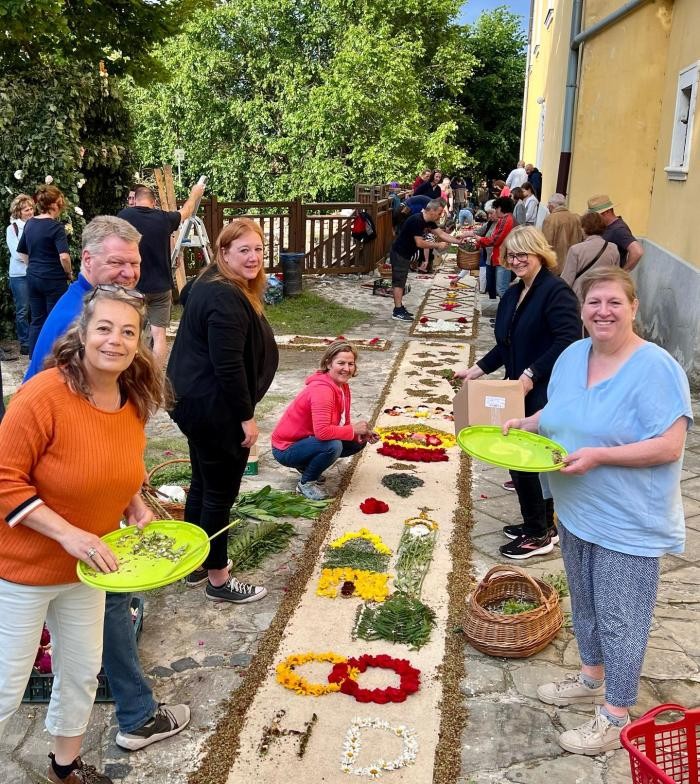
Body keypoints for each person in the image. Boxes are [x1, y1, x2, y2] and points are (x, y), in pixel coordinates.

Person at [503, 267, 691, 754]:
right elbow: (561, 410)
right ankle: (590, 678)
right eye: (593, 303)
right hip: (576, 507)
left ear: (633, 308)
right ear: (582, 309)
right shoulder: (572, 355)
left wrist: (601, 455)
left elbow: (670, 446)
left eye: (614, 302)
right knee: (585, 605)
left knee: (621, 618)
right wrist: (529, 422)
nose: (602, 311)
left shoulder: (655, 367)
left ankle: (615, 714)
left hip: (628, 518)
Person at [23, 216, 190, 753]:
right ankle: (138, 715)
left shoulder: (121, 368)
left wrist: (131, 495)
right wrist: (72, 526)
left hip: (89, 531)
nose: (128, 272)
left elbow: (113, 443)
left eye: (136, 264)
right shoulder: (68, 349)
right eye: (117, 262)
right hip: (40, 539)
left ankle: (74, 756)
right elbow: (34, 451)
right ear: (87, 262)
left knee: (87, 652)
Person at [0, 286, 172, 784]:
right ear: (82, 333)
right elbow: (5, 479)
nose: (114, 341)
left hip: (90, 567)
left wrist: (135, 504)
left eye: (128, 332)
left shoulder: (133, 397)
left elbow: (120, 465)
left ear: (139, 341)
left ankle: (65, 768)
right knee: (7, 687)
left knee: (80, 672)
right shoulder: (44, 394)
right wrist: (69, 533)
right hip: (23, 569)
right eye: (104, 328)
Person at [167, 218, 279, 604]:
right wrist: (245, 417)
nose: (253, 257)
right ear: (223, 252)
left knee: (203, 483)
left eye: (259, 249)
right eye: (243, 250)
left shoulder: (211, 282)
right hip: (216, 411)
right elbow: (228, 365)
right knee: (219, 494)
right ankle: (218, 578)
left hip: (196, 405)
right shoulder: (224, 296)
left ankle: (196, 562)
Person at [455, 226, 581, 559]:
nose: (515, 260)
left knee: (527, 460)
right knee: (520, 461)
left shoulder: (556, 292)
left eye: (522, 253)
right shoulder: (514, 292)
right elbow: (505, 344)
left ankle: (538, 533)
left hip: (544, 390)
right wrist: (476, 370)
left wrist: (531, 374)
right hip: (517, 389)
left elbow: (568, 341)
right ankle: (540, 524)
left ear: (540, 252)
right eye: (510, 254)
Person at [271, 341, 378, 500]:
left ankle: (307, 466)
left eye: (351, 364)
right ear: (328, 363)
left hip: (306, 440)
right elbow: (323, 432)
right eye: (341, 363)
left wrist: (359, 433)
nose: (347, 369)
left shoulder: (342, 386)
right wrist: (353, 430)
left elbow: (341, 423)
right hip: (286, 448)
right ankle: (306, 483)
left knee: (358, 440)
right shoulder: (322, 390)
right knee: (332, 445)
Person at [118, 180, 205, 366]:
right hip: (161, 288)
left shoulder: (124, 216)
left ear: (135, 200)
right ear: (153, 202)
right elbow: (187, 210)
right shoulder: (164, 219)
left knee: (131, 331)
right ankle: (155, 378)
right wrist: (195, 192)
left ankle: (130, 372)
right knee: (159, 336)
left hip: (133, 286)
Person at [16, 185, 72, 358]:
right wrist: (69, 273)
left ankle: (35, 357)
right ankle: (53, 359)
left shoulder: (30, 224)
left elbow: (22, 251)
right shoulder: (56, 227)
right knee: (55, 319)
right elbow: (64, 257)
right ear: (55, 204)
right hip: (53, 279)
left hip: (33, 278)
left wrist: (31, 266)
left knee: (37, 320)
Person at [388, 199, 458, 321]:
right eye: (439, 213)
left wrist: (459, 241)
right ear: (431, 210)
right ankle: (397, 311)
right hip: (399, 253)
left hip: (406, 253)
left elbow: (441, 234)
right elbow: (419, 243)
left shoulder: (429, 221)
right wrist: (438, 245)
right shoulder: (416, 220)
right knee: (399, 282)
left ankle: (399, 307)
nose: (440, 215)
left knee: (402, 281)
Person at [561, 212, 620, 303]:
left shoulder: (576, 250)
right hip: (603, 296)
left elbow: (567, 280)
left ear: (584, 228)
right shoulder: (613, 248)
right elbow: (615, 276)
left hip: (580, 297)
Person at [5, 193, 34, 354]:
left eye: (31, 209)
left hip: (34, 272)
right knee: (22, 309)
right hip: (19, 275)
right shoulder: (13, 228)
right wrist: (34, 259)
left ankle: (35, 339)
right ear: (18, 212)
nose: (30, 212)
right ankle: (24, 342)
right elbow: (17, 254)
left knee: (36, 308)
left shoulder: (36, 225)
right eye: (26, 210)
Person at [472, 197, 516, 298]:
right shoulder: (505, 219)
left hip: (503, 256)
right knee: (500, 287)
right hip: (499, 256)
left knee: (501, 289)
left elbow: (495, 239)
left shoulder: (507, 220)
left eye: (496, 209)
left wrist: (480, 239)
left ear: (500, 208)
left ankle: (509, 311)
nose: (495, 211)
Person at [587, 194, 644, 270]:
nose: (594, 219)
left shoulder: (618, 229)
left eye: (596, 215)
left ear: (607, 212)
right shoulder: (608, 226)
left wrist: (623, 272)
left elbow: (637, 251)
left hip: (609, 277)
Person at [541, 193, 584, 274]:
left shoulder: (550, 219)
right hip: (574, 264)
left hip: (556, 266)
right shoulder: (577, 218)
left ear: (552, 206)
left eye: (548, 204)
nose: (547, 207)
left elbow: (546, 244)